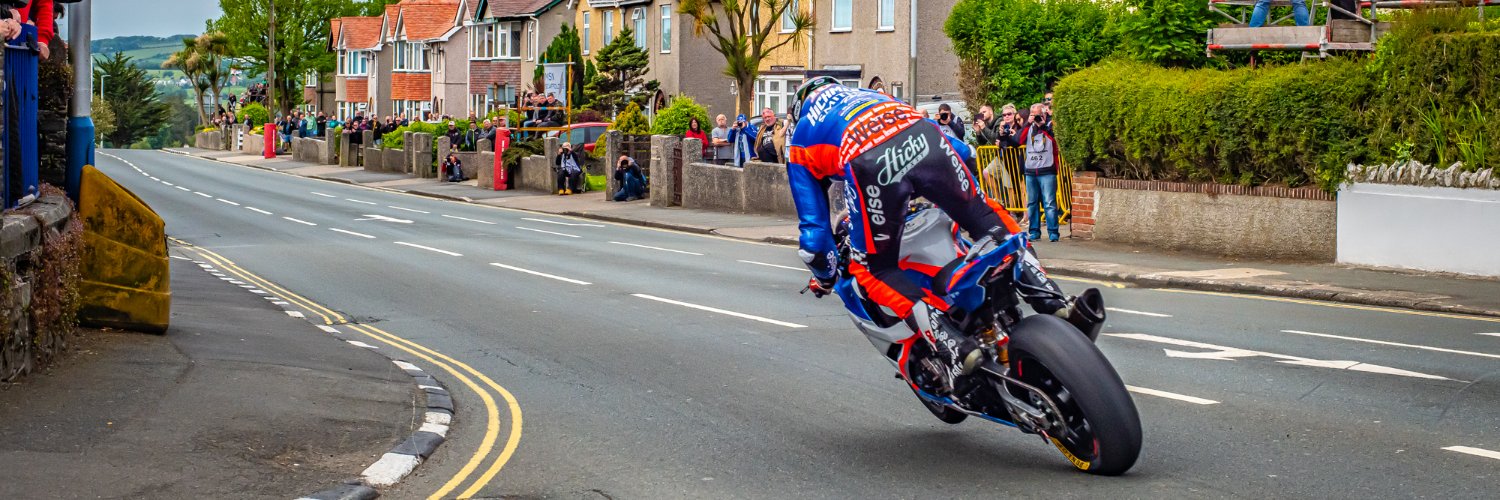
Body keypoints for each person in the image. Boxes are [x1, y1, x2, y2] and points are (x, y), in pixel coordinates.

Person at [785, 78, 1093, 394]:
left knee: (873, 270)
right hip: (927, 139)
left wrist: (824, 277)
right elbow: (964, 152)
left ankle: (951, 343)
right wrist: (961, 189)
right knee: (985, 216)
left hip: (872, 162)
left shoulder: (799, 138)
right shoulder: (871, 96)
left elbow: (814, 238)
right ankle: (1050, 295)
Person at [1019, 103, 1061, 242]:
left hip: (1047, 170)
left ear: (1044, 114)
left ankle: (1053, 233)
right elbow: (1018, 140)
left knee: (1049, 203)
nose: (1036, 117)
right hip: (1031, 170)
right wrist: (1027, 123)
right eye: (1033, 114)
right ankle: (1034, 231)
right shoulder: (1029, 127)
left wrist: (1042, 126)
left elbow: (1054, 140)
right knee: (1031, 203)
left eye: (1039, 115)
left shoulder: (1049, 126)